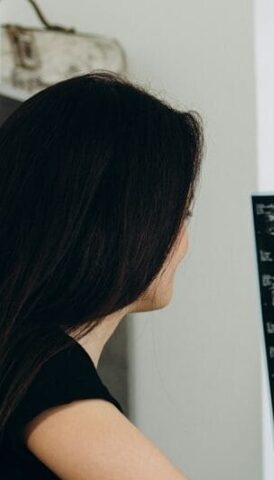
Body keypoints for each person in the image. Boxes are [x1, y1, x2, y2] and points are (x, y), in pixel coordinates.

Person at [0, 72, 201, 479]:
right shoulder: (48, 376)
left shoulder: (21, 359)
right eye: (183, 214)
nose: (185, 243)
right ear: (130, 225)